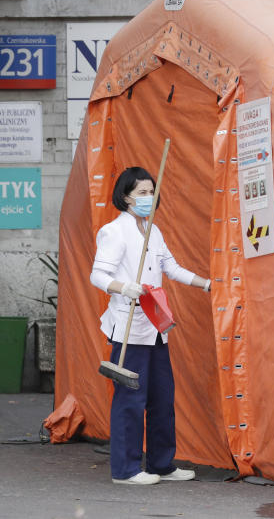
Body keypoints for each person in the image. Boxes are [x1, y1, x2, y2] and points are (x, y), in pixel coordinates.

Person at [89, 167, 211, 485]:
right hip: (128, 327)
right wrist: (124, 287)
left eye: (151, 191)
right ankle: (126, 469)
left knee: (162, 397)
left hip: (155, 325)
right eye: (142, 192)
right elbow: (98, 275)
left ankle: (160, 463)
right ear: (125, 197)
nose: (148, 197)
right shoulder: (114, 232)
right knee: (131, 399)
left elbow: (171, 267)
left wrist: (209, 284)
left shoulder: (152, 231)